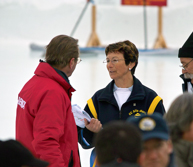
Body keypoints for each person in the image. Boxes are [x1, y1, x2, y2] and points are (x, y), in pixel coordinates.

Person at [75, 40, 165, 166]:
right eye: (107, 60)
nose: (109, 65)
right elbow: (84, 142)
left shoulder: (151, 100)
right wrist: (92, 131)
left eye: (115, 60)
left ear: (131, 63)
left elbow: (162, 140)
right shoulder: (98, 99)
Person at [16, 35, 81, 167]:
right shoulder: (53, 92)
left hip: (28, 160)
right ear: (71, 62)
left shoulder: (33, 83)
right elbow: (46, 141)